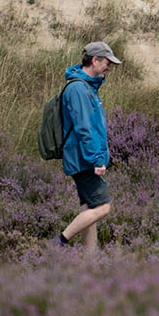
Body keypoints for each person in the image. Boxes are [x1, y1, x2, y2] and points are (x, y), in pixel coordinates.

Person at [53, 41, 121, 252]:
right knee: (102, 207)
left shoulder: (87, 87)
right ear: (95, 60)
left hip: (84, 157)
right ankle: (59, 243)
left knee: (89, 208)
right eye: (107, 63)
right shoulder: (78, 89)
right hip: (84, 159)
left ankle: (89, 260)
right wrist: (96, 159)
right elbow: (84, 129)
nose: (109, 67)